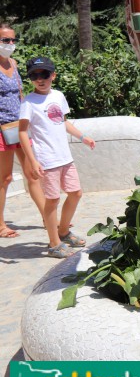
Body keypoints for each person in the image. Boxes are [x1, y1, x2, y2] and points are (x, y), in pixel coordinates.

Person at [18, 56, 95, 258]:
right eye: (34, 75)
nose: (39, 79)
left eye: (43, 74)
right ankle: (54, 244)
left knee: (75, 193)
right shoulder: (29, 102)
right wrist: (33, 160)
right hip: (47, 159)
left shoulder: (58, 96)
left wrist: (83, 136)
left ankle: (63, 232)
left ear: (53, 75)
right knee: (52, 200)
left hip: (64, 157)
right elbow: (23, 132)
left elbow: (63, 122)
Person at [0, 24, 45, 238]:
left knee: (33, 173)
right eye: (5, 40)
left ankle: (48, 216)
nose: (10, 44)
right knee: (5, 178)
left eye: (12, 40)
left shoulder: (14, 63)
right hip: (2, 128)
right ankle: (1, 225)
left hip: (19, 127)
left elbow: (19, 94)